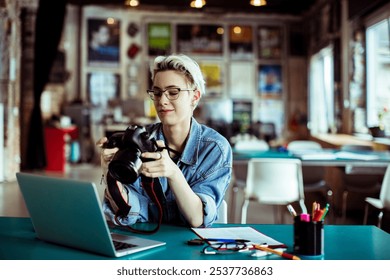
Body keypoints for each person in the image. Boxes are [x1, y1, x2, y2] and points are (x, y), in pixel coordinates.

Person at [97, 54, 232, 228]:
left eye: (173, 92)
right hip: (149, 244)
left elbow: (197, 218)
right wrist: (110, 174)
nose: (162, 100)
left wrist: (173, 173)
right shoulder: (140, 141)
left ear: (195, 97)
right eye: (157, 92)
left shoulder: (215, 149)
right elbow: (131, 212)